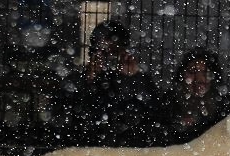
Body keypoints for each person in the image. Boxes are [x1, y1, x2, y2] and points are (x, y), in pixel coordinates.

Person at [52, 19, 160, 147]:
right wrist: (89, 82)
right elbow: (65, 123)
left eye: (114, 52)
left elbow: (150, 119)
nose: (108, 58)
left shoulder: (139, 81)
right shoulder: (76, 81)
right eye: (102, 51)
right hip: (84, 150)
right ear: (92, 53)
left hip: (126, 152)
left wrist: (131, 79)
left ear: (124, 53)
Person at [159, 48, 230, 144]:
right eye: (192, 72)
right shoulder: (169, 102)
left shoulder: (225, 105)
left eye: (206, 73)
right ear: (182, 75)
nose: (199, 79)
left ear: (214, 77)